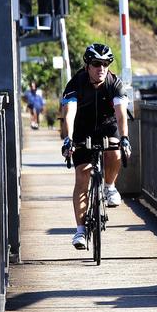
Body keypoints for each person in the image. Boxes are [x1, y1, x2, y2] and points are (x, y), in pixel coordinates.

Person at [60, 43, 131, 250]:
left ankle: (109, 186)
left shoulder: (114, 83)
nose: (101, 68)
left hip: (107, 126)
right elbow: (69, 113)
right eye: (96, 64)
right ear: (87, 65)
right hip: (82, 129)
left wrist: (125, 137)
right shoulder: (76, 83)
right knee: (82, 175)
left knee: (116, 150)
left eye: (106, 64)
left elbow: (120, 114)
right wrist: (69, 139)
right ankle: (80, 231)